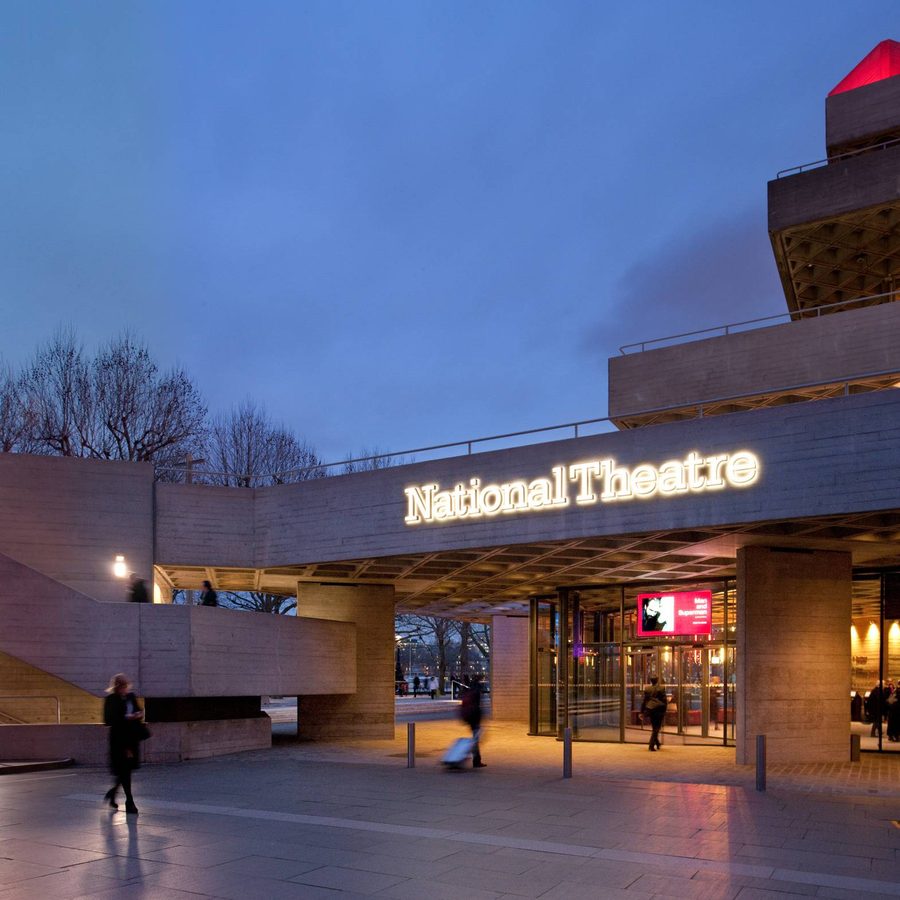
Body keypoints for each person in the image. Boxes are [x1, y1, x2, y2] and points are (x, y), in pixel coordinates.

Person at [103, 673, 144, 815]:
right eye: (122, 686)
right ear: (116, 687)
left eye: (126, 686)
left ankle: (112, 793)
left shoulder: (131, 697)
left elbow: (139, 710)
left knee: (126, 770)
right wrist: (127, 717)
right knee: (124, 769)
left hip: (131, 738)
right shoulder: (111, 699)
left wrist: (138, 714)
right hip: (119, 739)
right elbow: (108, 720)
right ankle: (130, 802)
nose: (125, 689)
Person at [460, 674, 486, 768]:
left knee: (475, 738)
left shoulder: (470, 688)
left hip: (471, 718)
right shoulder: (476, 691)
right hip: (475, 718)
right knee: (476, 739)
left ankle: (476, 759)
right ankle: (476, 760)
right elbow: (477, 706)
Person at [641, 676, 667, 751]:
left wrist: (642, 711)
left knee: (654, 728)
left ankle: (657, 743)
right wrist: (665, 710)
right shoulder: (661, 688)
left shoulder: (647, 689)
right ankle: (651, 745)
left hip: (651, 710)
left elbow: (644, 701)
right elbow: (664, 700)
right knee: (656, 728)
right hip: (659, 710)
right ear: (657, 680)